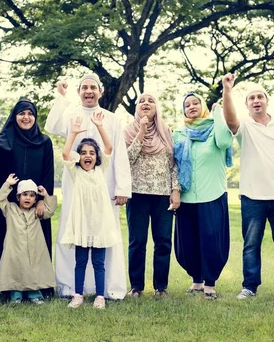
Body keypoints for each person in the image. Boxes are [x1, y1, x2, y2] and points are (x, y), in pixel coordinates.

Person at [45, 74, 131, 300]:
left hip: (104, 186)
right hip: (75, 186)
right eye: (84, 87)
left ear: (100, 91)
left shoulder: (112, 119)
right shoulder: (71, 114)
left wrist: (122, 187)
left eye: (93, 87)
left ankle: (108, 288)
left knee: (105, 234)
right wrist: (61, 97)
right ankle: (70, 287)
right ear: (79, 91)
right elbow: (52, 126)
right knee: (73, 233)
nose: (89, 91)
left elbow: (117, 152)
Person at [221, 74, 274, 300]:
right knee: (251, 245)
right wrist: (228, 90)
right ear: (246, 105)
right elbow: (230, 120)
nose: (256, 100)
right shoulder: (244, 125)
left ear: (266, 101)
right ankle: (250, 286)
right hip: (252, 197)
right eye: (251, 98)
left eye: (260, 97)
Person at [0, 99, 55, 298]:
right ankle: (8, 287)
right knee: (9, 246)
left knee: (36, 247)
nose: (26, 117)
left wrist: (41, 200)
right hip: (9, 204)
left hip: (34, 203)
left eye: (30, 113)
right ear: (15, 116)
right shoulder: (6, 138)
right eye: (22, 113)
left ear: (35, 117)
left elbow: (48, 172)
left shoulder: (44, 142)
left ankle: (39, 286)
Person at [173, 93, 233, 300]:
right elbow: (173, 163)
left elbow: (225, 141)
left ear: (203, 105)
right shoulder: (180, 133)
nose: (191, 107)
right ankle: (196, 280)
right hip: (186, 197)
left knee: (211, 241)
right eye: (187, 104)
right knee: (187, 243)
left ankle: (210, 283)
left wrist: (218, 112)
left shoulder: (214, 129)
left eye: (195, 102)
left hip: (212, 194)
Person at [61, 113, 122, 309]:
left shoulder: (101, 169)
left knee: (99, 263)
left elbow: (110, 148)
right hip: (81, 223)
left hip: (99, 224)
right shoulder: (76, 171)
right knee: (80, 262)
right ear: (80, 156)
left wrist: (100, 126)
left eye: (92, 153)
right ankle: (77, 295)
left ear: (97, 157)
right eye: (84, 152)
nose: (88, 156)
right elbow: (65, 154)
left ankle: (100, 296)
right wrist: (74, 132)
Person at [124, 93, 180, 298]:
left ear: (157, 107)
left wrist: (175, 190)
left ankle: (161, 287)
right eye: (141, 101)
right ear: (136, 108)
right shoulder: (128, 131)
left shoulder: (165, 131)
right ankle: (136, 287)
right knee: (137, 241)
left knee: (163, 241)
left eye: (150, 101)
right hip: (137, 193)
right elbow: (126, 159)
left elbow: (173, 164)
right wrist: (141, 132)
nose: (146, 104)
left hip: (162, 194)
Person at [0, 176, 57, 305]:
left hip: (33, 250)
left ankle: (34, 294)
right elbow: (0, 198)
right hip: (15, 249)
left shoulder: (37, 212)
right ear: (18, 197)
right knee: (15, 271)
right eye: (24, 195)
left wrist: (45, 195)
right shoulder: (10, 209)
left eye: (31, 195)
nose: (28, 198)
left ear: (35, 199)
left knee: (32, 271)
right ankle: (15, 294)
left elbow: (50, 211)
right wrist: (7, 184)